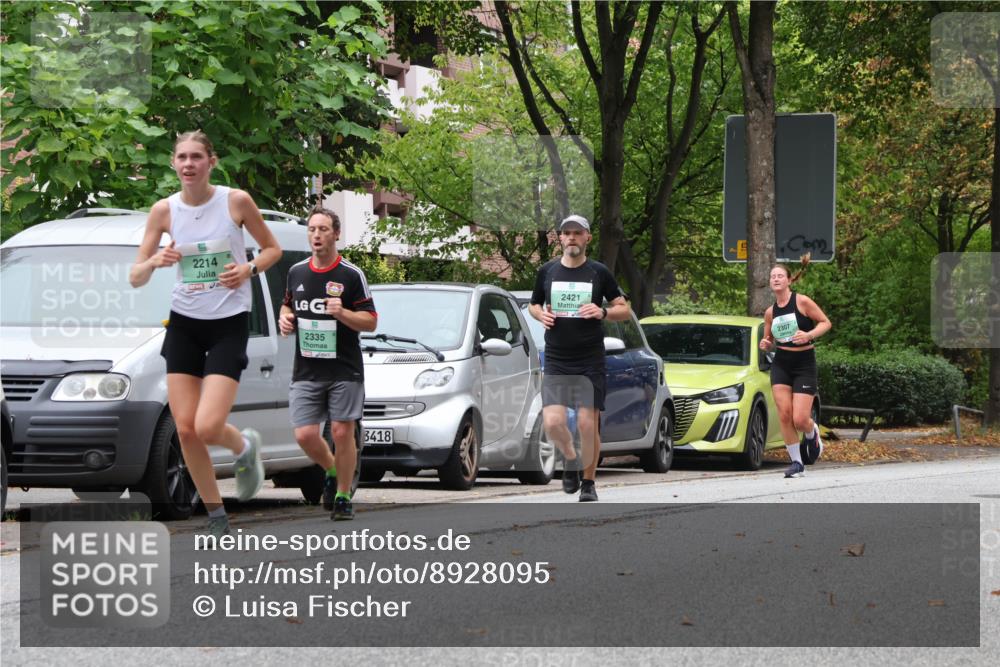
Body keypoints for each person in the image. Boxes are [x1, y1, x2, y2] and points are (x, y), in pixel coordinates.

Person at [130, 130, 282, 536]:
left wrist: (247, 269)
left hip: (228, 324)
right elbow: (135, 276)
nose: (188, 164)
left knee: (209, 425)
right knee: (185, 429)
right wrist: (156, 260)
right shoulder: (164, 211)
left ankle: (244, 447)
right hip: (184, 323)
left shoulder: (236, 201)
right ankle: (217, 515)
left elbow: (273, 250)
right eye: (182, 157)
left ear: (211, 162)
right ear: (173, 163)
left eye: (196, 156)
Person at [278, 206, 376, 520]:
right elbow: (287, 305)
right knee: (304, 434)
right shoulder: (297, 272)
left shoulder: (351, 274)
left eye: (323, 229)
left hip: (344, 369)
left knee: (342, 431)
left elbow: (370, 321)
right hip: (307, 368)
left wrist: (342, 313)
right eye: (312, 229)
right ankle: (332, 470)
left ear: (336, 234)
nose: (316, 235)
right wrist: (285, 318)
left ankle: (343, 497)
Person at [528, 214, 629, 502]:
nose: (572, 237)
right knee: (552, 422)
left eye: (577, 232)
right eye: (567, 233)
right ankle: (571, 458)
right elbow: (534, 304)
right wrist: (540, 315)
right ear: (560, 238)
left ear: (587, 237)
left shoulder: (598, 272)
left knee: (586, 423)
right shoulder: (547, 271)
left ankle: (588, 483)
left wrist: (603, 312)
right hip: (557, 357)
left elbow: (624, 309)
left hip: (589, 358)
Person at [759, 255, 832, 478]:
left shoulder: (802, 301)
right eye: (773, 276)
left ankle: (812, 432)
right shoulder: (770, 312)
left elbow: (826, 323)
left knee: (799, 419)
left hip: (804, 363)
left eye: (780, 276)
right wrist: (766, 344)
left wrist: (808, 335)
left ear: (789, 280)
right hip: (781, 363)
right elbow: (769, 340)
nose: (776, 279)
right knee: (784, 414)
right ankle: (797, 463)